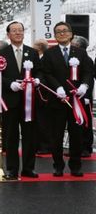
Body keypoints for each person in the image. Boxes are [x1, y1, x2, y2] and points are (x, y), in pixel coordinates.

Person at [43, 22, 93, 177]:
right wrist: (57, 87)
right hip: (57, 101)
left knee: (76, 135)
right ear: (55, 35)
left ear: (71, 34)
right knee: (56, 135)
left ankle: (75, 165)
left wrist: (84, 85)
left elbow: (88, 72)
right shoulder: (49, 54)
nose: (62, 34)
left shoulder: (81, 53)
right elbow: (47, 73)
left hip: (76, 101)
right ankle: (58, 165)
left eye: (65, 31)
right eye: (58, 32)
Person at [0, 21, 41, 180]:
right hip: (10, 100)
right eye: (14, 31)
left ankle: (29, 168)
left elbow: (40, 71)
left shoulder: (32, 52)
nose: (18, 33)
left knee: (30, 136)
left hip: (29, 101)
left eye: (20, 30)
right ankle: (12, 169)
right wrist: (11, 84)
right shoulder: (2, 53)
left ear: (24, 33)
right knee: (11, 136)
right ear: (8, 34)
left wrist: (37, 80)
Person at [32, 38, 51, 155]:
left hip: (43, 94)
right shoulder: (36, 59)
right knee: (37, 121)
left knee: (43, 121)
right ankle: (38, 144)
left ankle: (45, 145)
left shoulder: (45, 59)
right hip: (36, 94)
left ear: (39, 47)